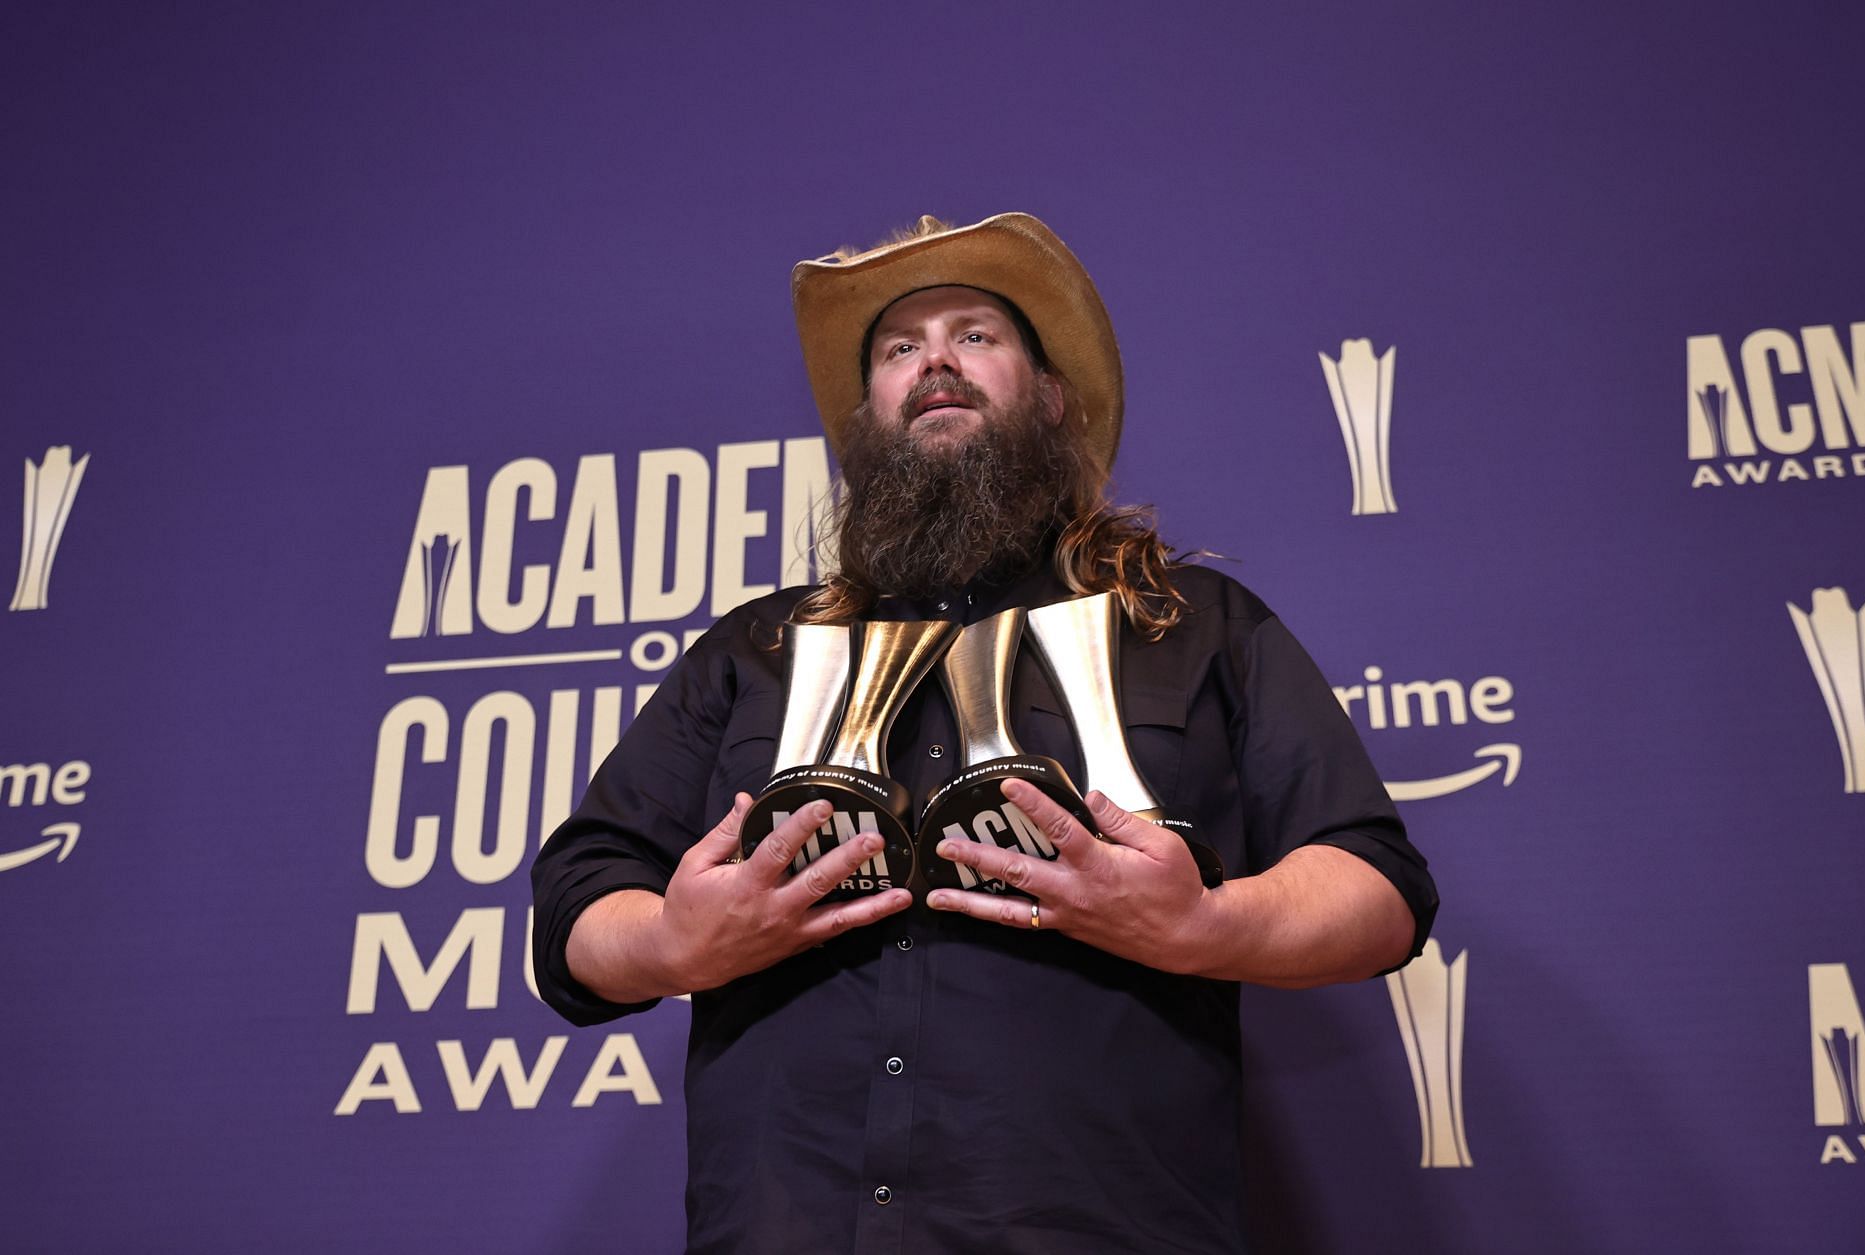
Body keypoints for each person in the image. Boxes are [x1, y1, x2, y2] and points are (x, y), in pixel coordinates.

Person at [531, 212, 1437, 1254]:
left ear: (1050, 396)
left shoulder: (1188, 625)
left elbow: (1376, 888)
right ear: (868, 413)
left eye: (975, 335)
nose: (935, 366)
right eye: (898, 349)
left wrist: (1200, 927)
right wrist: (674, 940)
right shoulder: (758, 650)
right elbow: (577, 903)